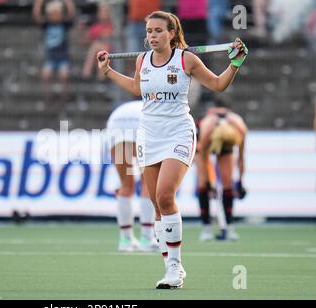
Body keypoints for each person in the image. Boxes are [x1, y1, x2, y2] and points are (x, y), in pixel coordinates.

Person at [97, 11, 248, 289]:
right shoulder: (142, 60)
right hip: (149, 134)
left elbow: (217, 84)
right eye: (149, 31)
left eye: (158, 31)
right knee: (156, 203)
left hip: (178, 131)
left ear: (171, 33)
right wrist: (108, 71)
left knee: (165, 195)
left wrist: (235, 64)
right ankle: (169, 267)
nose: (152, 36)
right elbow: (135, 88)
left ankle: (176, 266)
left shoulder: (186, 59)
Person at [106, 100, 158, 252]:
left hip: (116, 123)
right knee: (148, 183)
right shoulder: (158, 104)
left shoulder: (134, 104)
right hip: (141, 122)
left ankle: (125, 239)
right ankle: (147, 238)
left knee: (126, 185)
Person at [195, 103, 248, 241]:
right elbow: (203, 157)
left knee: (227, 184)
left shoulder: (239, 129)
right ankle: (206, 227)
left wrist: (240, 181)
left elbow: (241, 158)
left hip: (226, 137)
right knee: (202, 184)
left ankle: (229, 227)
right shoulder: (206, 130)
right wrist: (209, 182)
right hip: (203, 145)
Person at [32, 0, 75, 107]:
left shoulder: (64, 24)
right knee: (45, 75)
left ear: (61, 14)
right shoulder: (47, 25)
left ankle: (63, 98)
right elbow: (37, 16)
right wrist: (38, 3)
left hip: (63, 58)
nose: (55, 16)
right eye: (52, 14)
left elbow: (71, 14)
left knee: (64, 75)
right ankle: (46, 98)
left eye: (57, 13)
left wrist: (68, 2)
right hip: (51, 59)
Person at [81, 3, 113, 81]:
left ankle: (90, 75)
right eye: (101, 11)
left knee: (100, 48)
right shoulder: (96, 26)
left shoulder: (112, 26)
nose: (103, 14)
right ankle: (88, 75)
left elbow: (111, 39)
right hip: (97, 56)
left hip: (110, 54)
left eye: (105, 11)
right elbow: (84, 40)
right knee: (96, 47)